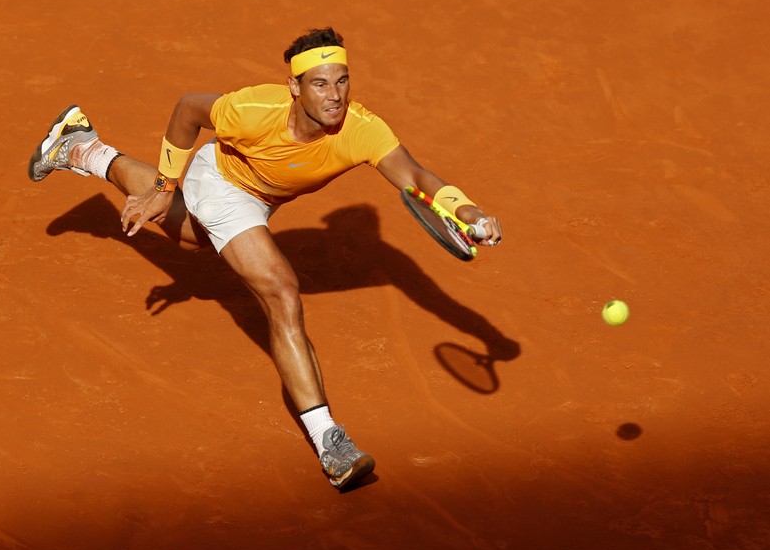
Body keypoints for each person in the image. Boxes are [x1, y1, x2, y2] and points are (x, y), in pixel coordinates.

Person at [28, 27, 503, 490]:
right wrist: (164, 183)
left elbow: (415, 174)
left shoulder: (362, 129)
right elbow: (188, 108)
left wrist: (470, 211)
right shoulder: (253, 109)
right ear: (294, 87)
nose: (334, 95)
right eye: (319, 84)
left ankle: (82, 147)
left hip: (263, 200)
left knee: (190, 236)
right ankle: (331, 442)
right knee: (281, 290)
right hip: (222, 180)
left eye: (342, 81)